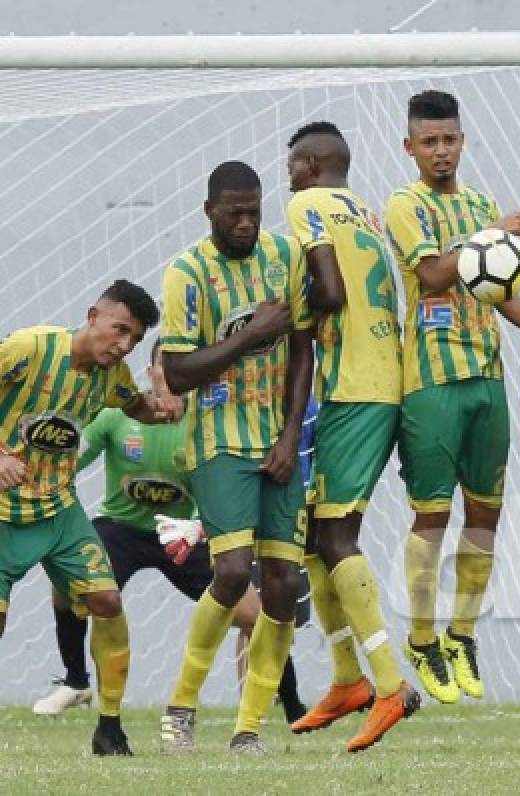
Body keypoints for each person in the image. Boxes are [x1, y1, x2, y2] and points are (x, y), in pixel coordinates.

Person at [384, 89, 520, 704]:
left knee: (487, 514)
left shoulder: (477, 202)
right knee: (433, 516)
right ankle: (420, 636)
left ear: (462, 140)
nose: (441, 151)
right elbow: (434, 275)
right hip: (431, 383)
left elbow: (496, 285)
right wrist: (492, 230)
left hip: (487, 378)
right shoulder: (404, 203)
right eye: (429, 142)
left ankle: (461, 634)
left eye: (450, 140)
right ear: (409, 146)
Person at [31, 341, 306, 723]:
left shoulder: (207, 425)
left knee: (256, 615)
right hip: (121, 529)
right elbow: (70, 462)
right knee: (66, 583)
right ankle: (77, 681)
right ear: (150, 373)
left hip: (181, 532)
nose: (175, 379)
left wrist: (196, 526)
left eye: (184, 369)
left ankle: (293, 705)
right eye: (166, 369)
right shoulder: (117, 418)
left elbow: (222, 490)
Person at [157, 161, 313, 755]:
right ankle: (181, 706)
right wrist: (249, 334)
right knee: (229, 571)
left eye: (254, 211)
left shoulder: (283, 257)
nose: (247, 223)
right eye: (234, 213)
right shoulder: (187, 274)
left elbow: (303, 351)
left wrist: (291, 434)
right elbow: (177, 370)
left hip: (279, 441)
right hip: (219, 440)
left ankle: (249, 728)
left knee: (282, 586)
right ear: (210, 212)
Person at [283, 120, 419, 752]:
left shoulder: (306, 205)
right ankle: (346, 680)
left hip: (354, 391)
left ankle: (391, 685)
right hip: (379, 381)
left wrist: (285, 312)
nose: (288, 175)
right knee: (314, 538)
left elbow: (330, 291)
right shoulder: (363, 210)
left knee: (336, 536)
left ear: (310, 163)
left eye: (292, 165)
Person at [0, 278, 170, 755]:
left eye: (134, 339)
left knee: (108, 602)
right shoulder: (28, 348)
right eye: (119, 330)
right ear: (93, 315)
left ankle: (110, 729)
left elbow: (140, 407)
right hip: (3, 514)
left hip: (59, 513)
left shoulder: (112, 378)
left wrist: (167, 406)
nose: (123, 346)